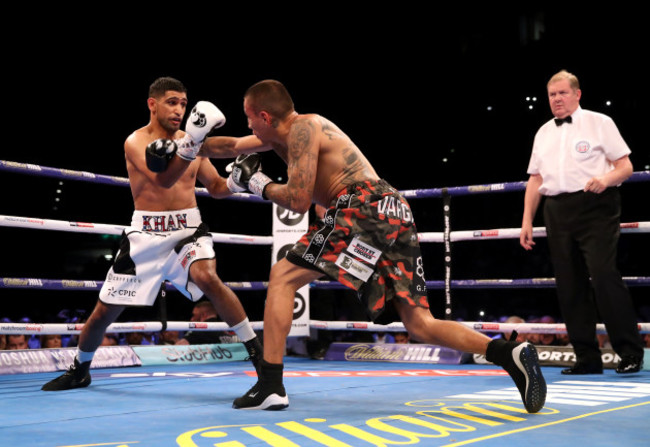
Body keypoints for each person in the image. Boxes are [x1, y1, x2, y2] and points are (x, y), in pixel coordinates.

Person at [198, 79, 547, 412]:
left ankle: (271, 385)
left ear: (265, 116)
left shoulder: (304, 128)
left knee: (283, 275)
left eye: (249, 117)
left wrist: (257, 183)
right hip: (390, 209)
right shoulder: (277, 137)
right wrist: (186, 144)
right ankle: (507, 353)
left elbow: (299, 200)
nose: (248, 126)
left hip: (362, 205)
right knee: (419, 324)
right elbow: (228, 146)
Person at [41, 77, 262, 391]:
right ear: (152, 104)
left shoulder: (192, 139)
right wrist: (192, 142)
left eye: (184, 104)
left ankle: (260, 358)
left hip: (187, 229)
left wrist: (239, 182)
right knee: (104, 311)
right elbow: (163, 181)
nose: (179, 110)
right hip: (145, 234)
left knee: (208, 278)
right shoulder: (135, 141)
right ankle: (80, 368)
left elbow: (215, 187)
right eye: (172, 102)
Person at [520, 69, 644, 375]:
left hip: (596, 204)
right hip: (556, 210)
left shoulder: (600, 122)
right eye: (552, 94)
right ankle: (586, 358)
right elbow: (535, 179)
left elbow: (626, 166)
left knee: (603, 275)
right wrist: (526, 220)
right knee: (569, 284)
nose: (557, 99)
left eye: (563, 93)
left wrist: (605, 179)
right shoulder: (544, 132)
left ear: (577, 94)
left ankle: (629, 352)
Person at [176, 300, 240, 345]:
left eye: (194, 315)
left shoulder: (198, 330)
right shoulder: (226, 329)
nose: (192, 319)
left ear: (204, 315)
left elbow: (179, 347)